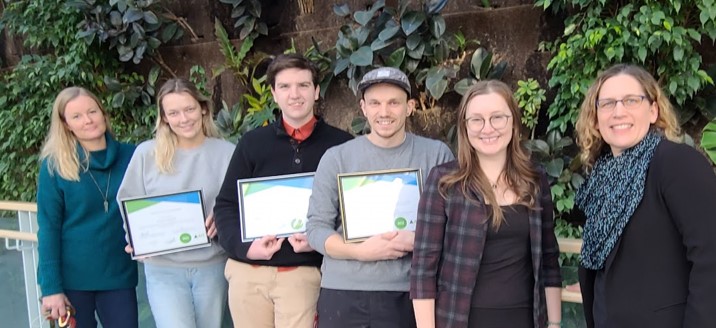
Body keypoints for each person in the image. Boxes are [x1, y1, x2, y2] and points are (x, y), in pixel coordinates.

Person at [306, 66, 455, 328]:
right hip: (344, 292)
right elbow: (316, 229)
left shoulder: (436, 155)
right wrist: (360, 251)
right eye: (375, 103)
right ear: (363, 108)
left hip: (411, 291)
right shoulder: (337, 158)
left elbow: (455, 224)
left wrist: (419, 239)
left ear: (409, 107)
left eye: (393, 103)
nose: (384, 112)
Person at [213, 53, 353, 327]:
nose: (295, 94)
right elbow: (226, 205)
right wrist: (246, 248)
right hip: (249, 274)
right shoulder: (252, 144)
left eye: (303, 85)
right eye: (285, 87)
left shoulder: (342, 146)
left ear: (316, 92)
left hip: (303, 273)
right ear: (274, 94)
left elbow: (353, 212)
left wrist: (320, 240)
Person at [410, 80, 562, 328]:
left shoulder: (534, 179)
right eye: (476, 120)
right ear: (465, 127)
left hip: (525, 319)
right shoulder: (444, 181)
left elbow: (548, 258)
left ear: (513, 123)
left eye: (497, 117)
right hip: (461, 320)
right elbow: (423, 269)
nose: (487, 128)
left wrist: (554, 324)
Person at [574, 64, 716, 327]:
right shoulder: (600, 178)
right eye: (607, 104)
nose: (618, 112)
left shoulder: (676, 163)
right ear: (595, 117)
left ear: (653, 110)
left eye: (631, 100)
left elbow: (710, 258)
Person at [116, 78, 233, 328]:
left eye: (189, 109)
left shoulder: (226, 152)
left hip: (212, 265)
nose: (184, 118)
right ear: (164, 117)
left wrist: (221, 217)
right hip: (163, 268)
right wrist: (136, 238)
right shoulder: (147, 153)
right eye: (174, 113)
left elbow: (236, 204)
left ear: (202, 108)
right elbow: (128, 201)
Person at [37, 87, 138, 327]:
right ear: (66, 124)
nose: (88, 120)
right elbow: (48, 228)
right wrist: (51, 288)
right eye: (77, 116)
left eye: (92, 111)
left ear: (103, 113)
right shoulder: (55, 166)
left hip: (118, 276)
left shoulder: (133, 156)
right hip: (72, 281)